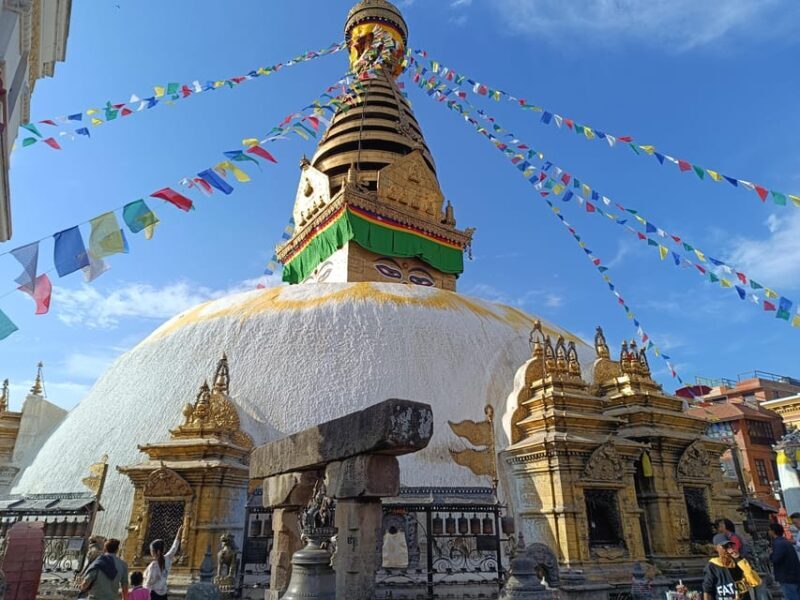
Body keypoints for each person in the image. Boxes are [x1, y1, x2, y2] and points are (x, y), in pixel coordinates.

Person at [703, 533, 760, 600]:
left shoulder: (739, 562)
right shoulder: (712, 566)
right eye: (725, 546)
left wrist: (739, 559)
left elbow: (754, 581)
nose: (728, 549)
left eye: (730, 546)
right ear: (716, 548)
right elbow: (707, 590)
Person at [144, 525, 183, 600]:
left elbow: (149, 583)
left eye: (151, 550)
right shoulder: (167, 558)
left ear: (157, 551)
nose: (150, 552)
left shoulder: (153, 565)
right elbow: (174, 547)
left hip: (153, 595)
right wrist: (179, 532)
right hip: (163, 594)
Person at [768, 522, 800, 600]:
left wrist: (770, 555)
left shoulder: (778, 543)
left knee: (791, 596)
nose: (768, 532)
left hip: (787, 577)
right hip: (792, 575)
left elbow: (775, 558)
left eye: (769, 530)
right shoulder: (784, 542)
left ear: (773, 531)